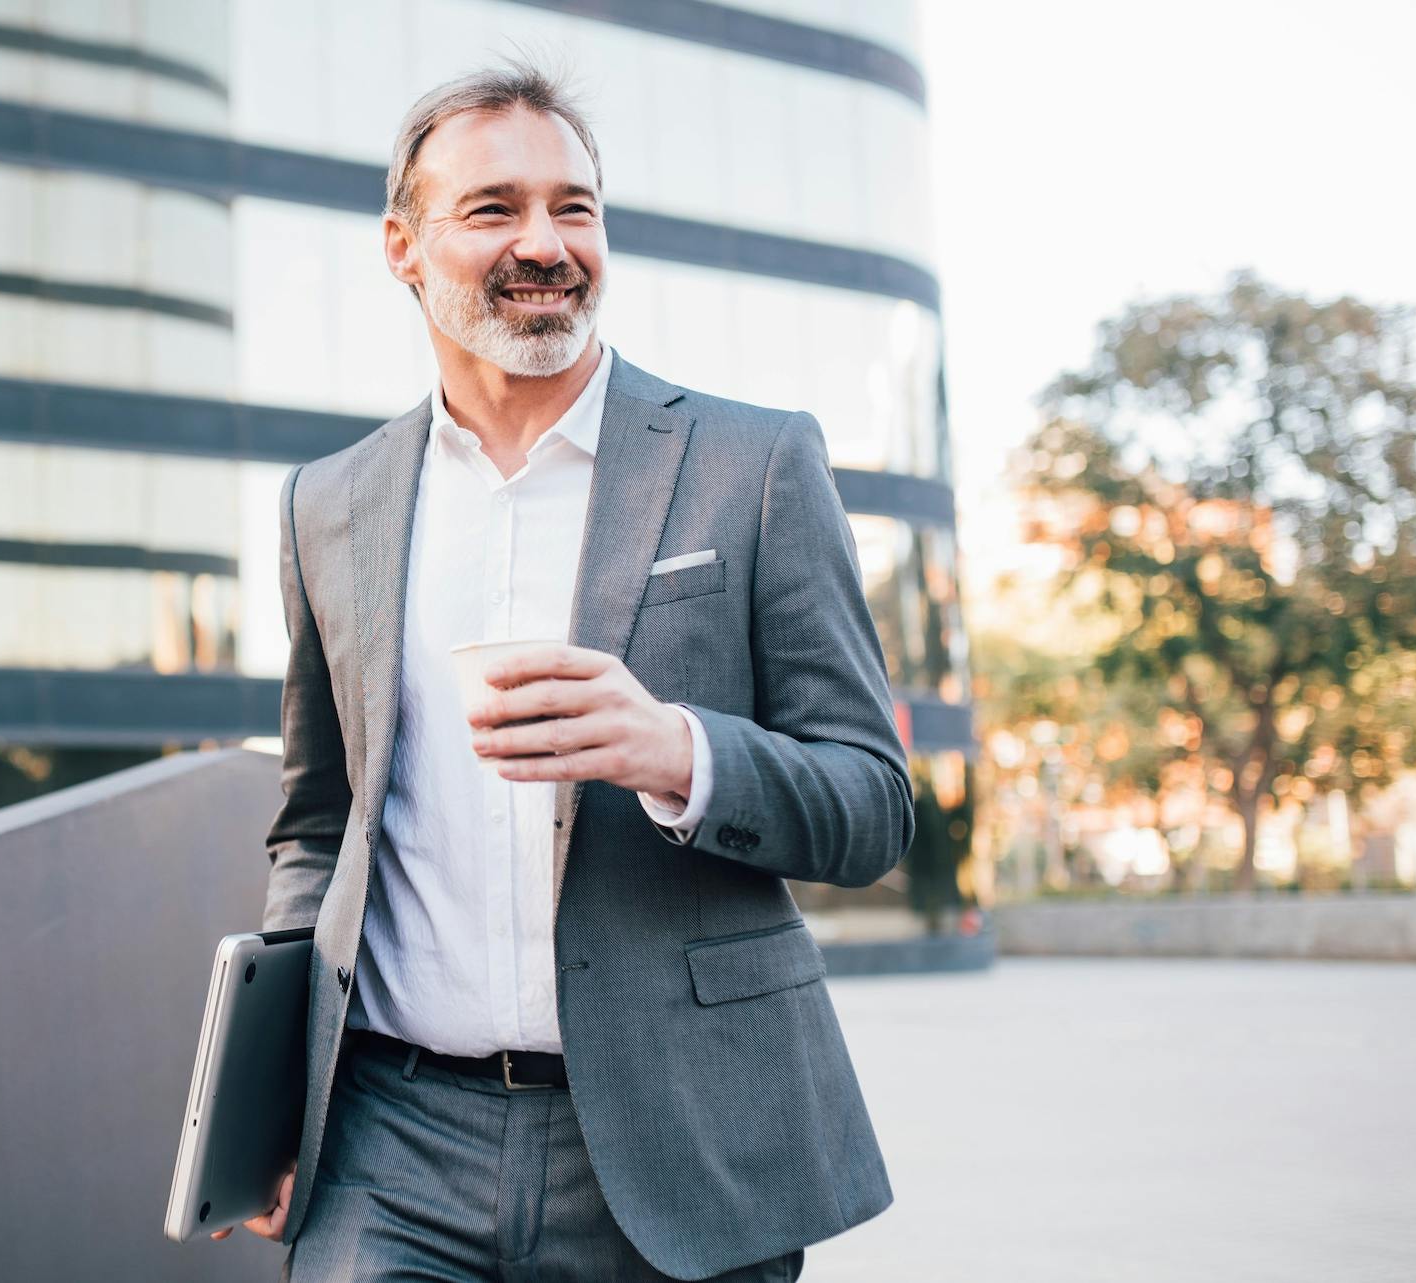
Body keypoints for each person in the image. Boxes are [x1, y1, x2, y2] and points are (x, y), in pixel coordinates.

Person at [211, 59, 914, 1282]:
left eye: (573, 206)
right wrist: (271, 1104)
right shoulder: (330, 504)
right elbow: (316, 827)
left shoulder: (754, 464)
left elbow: (871, 805)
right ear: (402, 245)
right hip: (389, 1142)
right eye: (493, 209)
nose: (545, 242)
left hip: (675, 1143)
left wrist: (678, 753)